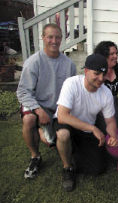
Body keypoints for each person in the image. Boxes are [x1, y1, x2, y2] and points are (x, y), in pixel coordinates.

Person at [16, 23, 76, 179]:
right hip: (37, 104)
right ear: (43, 38)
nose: (54, 41)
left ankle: (45, 135)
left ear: (62, 39)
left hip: (57, 108)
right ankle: (35, 157)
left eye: (57, 37)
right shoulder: (33, 62)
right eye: (50, 37)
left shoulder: (69, 64)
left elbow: (72, 91)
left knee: (56, 141)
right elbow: (23, 92)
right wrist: (38, 110)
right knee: (29, 119)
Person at [55, 54, 118, 192]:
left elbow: (110, 120)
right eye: (96, 74)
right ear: (86, 71)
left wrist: (113, 135)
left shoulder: (106, 93)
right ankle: (67, 167)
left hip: (85, 130)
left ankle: (71, 150)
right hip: (68, 124)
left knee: (98, 168)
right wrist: (93, 128)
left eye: (103, 74)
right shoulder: (71, 83)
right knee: (63, 135)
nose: (101, 78)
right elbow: (62, 116)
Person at [94, 41, 118, 127]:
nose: (116, 56)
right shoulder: (97, 71)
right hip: (102, 112)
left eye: (116, 53)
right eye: (112, 54)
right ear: (103, 56)